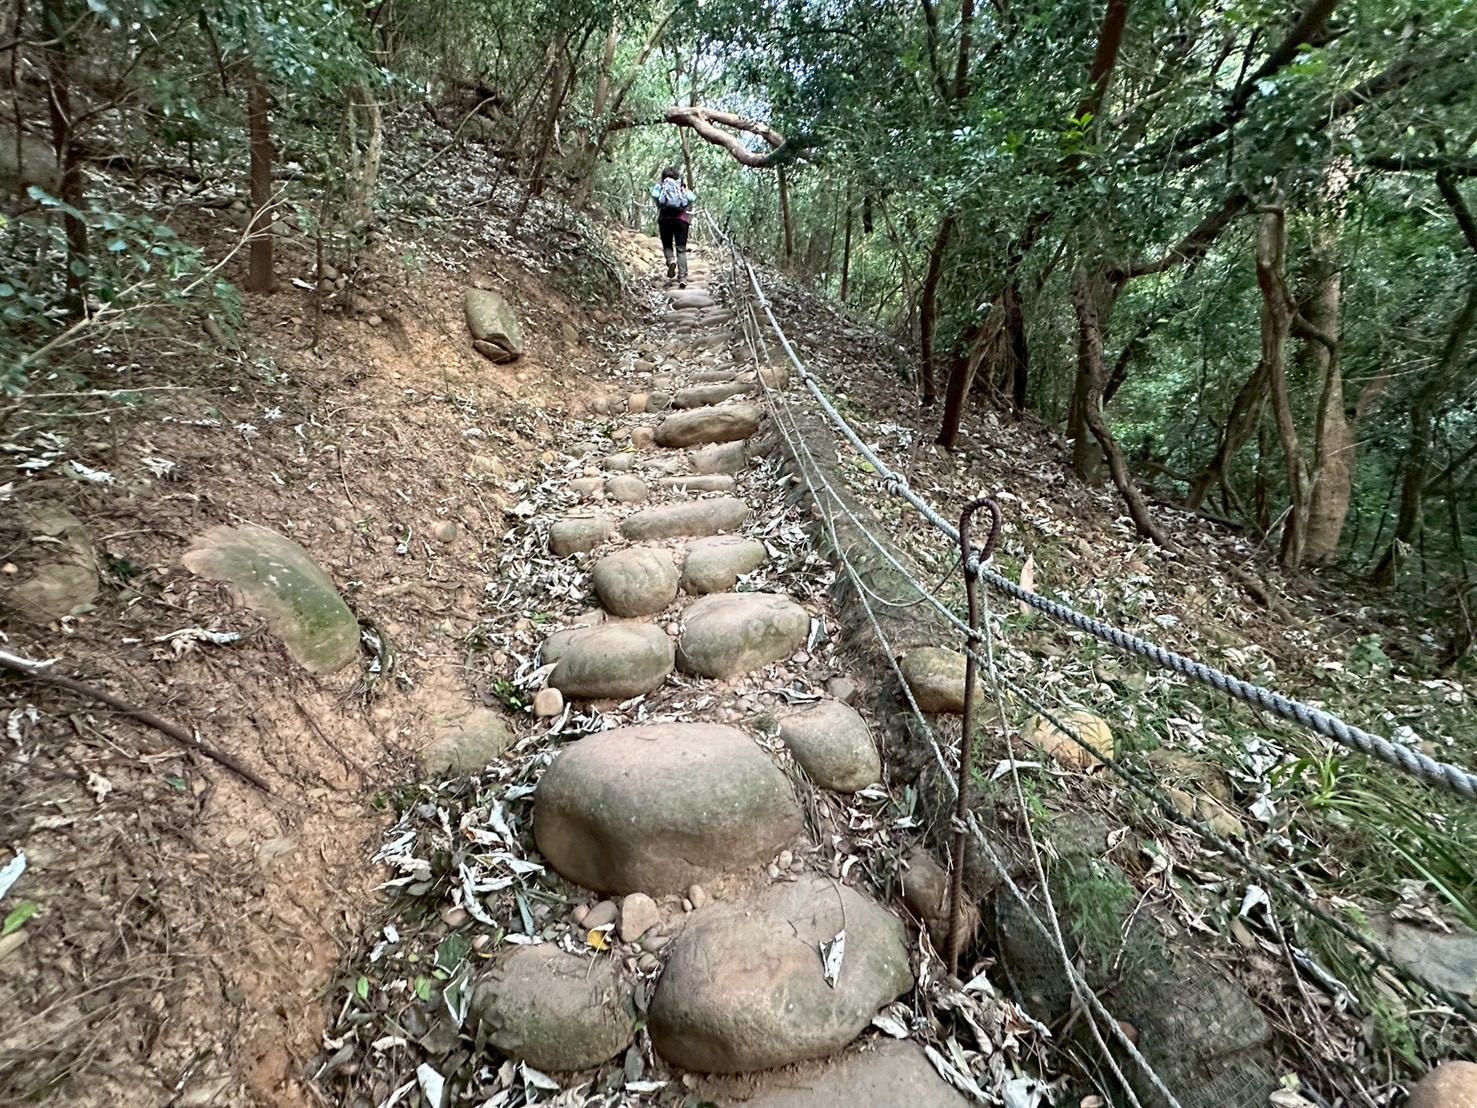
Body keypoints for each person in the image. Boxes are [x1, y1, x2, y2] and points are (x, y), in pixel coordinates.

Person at [650, 166, 696, 287]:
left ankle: (671, 261)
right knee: (681, 249)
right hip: (681, 220)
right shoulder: (681, 185)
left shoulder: (661, 184)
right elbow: (692, 197)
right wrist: (683, 205)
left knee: (667, 245)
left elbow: (654, 195)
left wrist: (660, 205)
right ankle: (682, 277)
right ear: (677, 175)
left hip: (665, 219)